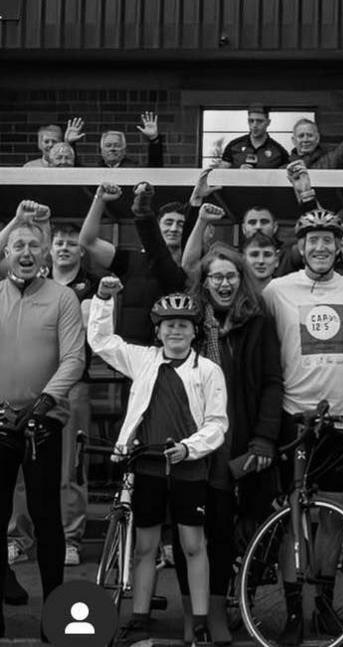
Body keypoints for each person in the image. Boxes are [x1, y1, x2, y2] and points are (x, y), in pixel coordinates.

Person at [89, 282, 226, 647]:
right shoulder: (144, 359)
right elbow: (102, 342)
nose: (175, 330)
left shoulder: (209, 370)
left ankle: (199, 621)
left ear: (195, 331)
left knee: (193, 544)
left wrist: (189, 448)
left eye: (183, 324)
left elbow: (217, 423)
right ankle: (140, 618)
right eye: (168, 324)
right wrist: (103, 300)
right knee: (145, 546)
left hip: (188, 466)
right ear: (157, 331)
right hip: (146, 465)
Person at [170, 240, 283, 644]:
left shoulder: (257, 321)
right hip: (194, 443)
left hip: (239, 440)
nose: (223, 283)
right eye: (215, 276)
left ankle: (217, 612)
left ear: (242, 279)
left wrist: (264, 439)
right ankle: (191, 614)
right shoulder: (189, 323)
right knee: (189, 534)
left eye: (231, 276)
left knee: (222, 536)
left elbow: (272, 382)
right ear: (204, 281)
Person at [262, 208, 343, 644]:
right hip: (293, 415)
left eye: (328, 240)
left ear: (339, 246)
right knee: (292, 517)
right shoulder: (276, 290)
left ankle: (321, 605)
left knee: (335, 517)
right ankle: (291, 611)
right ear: (300, 247)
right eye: (312, 241)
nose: (321, 247)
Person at [0, 208, 86, 639]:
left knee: (46, 517)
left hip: (43, 424)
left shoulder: (62, 298)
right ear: (7, 251)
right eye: (19, 245)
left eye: (35, 245)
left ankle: (56, 613)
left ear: (46, 252)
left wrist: (44, 401)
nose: (27, 252)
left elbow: (74, 357)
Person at [80, 183, 190, 344]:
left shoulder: (192, 268)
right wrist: (100, 200)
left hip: (174, 353)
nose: (174, 229)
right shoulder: (131, 259)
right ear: (156, 226)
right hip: (132, 356)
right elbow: (87, 242)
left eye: (181, 224)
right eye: (168, 222)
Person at [286, 83, 343, 169]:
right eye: (301, 136)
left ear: (317, 138)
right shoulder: (284, 169)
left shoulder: (330, 162)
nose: (305, 139)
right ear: (294, 140)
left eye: (310, 135)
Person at [219, 104, 290, 169]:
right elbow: (221, 173)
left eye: (259, 121)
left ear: (268, 122)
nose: (254, 125)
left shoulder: (278, 150)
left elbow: (287, 175)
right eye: (251, 121)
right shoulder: (234, 145)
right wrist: (238, 171)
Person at [94, 112, 165, 168]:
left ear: (124, 150)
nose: (112, 149)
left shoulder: (134, 169)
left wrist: (154, 139)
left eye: (117, 145)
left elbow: (155, 169)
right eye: (108, 145)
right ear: (101, 150)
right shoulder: (94, 171)